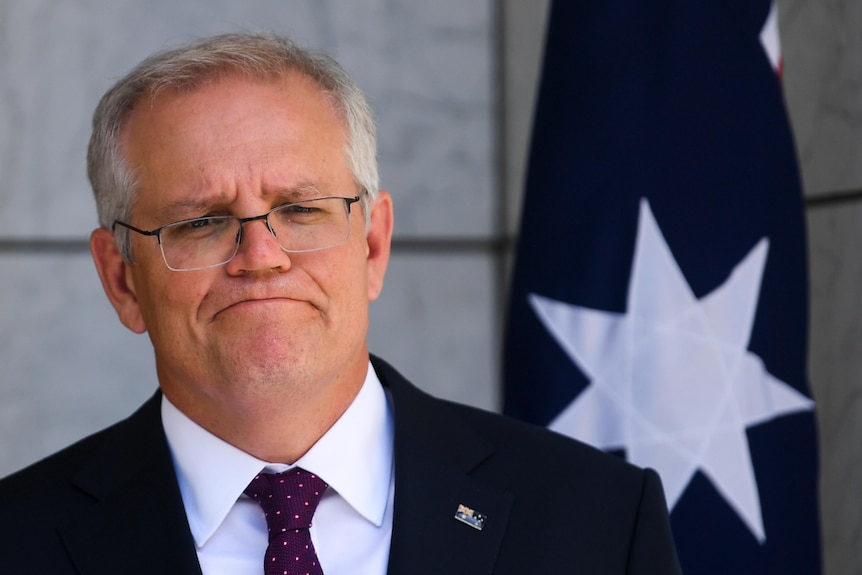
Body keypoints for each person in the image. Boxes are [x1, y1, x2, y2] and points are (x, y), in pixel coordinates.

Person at [0, 32, 682, 574]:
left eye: (299, 209)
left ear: (374, 244)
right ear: (122, 279)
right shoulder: (17, 541)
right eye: (201, 221)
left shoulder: (595, 522)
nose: (260, 255)